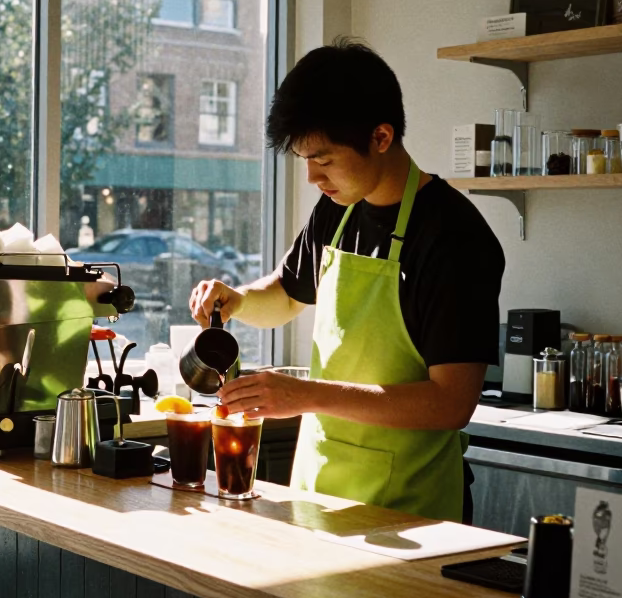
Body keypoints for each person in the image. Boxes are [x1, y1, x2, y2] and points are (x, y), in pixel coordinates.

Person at [189, 39, 504, 523]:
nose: (314, 176)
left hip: (411, 510)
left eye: (325, 158)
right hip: (319, 494)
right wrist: (239, 300)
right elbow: (288, 294)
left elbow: (450, 403)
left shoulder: (454, 238)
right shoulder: (337, 210)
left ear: (381, 137)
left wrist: (305, 395)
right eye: (305, 161)